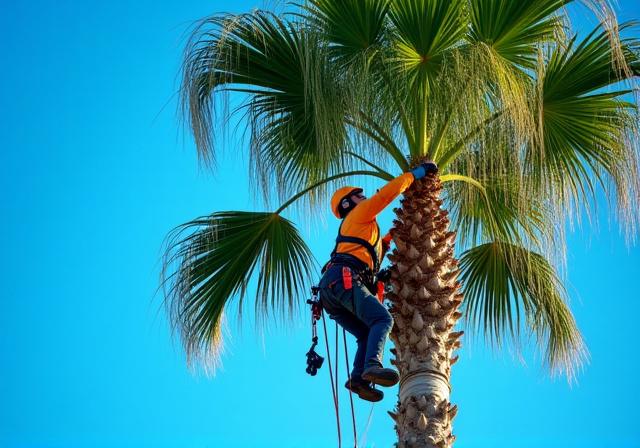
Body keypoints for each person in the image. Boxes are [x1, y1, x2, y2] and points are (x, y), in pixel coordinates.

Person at [318, 161, 438, 402]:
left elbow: (376, 250)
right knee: (383, 319)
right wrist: (416, 175)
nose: (364, 197)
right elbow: (386, 195)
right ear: (347, 203)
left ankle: (358, 379)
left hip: (333, 290)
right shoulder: (358, 214)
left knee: (365, 332)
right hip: (343, 279)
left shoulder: (363, 230)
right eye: (359, 195)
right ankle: (372, 365)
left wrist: (399, 232)